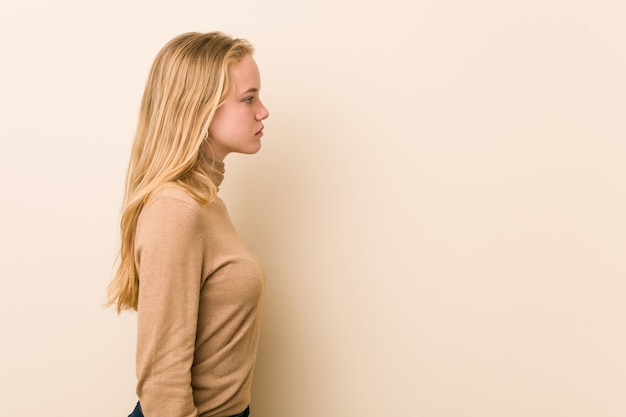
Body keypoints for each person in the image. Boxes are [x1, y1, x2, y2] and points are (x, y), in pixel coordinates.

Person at [106, 31, 270, 417]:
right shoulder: (176, 210)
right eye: (249, 99)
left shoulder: (205, 202)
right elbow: (162, 384)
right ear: (200, 110)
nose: (262, 111)